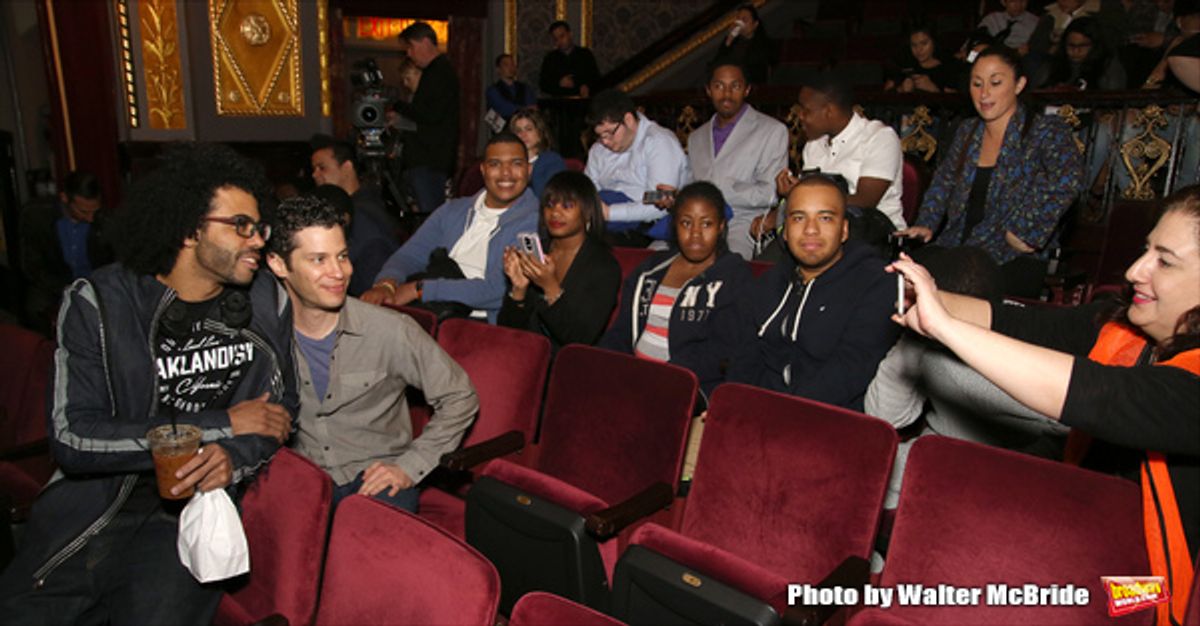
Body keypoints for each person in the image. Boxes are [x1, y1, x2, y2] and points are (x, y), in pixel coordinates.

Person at [0, 143, 296, 624]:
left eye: (260, 227)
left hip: (190, 515)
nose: (259, 240)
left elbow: (279, 413)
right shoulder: (99, 301)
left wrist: (234, 456)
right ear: (188, 229)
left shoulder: (266, 300)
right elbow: (75, 437)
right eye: (241, 225)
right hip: (93, 507)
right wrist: (223, 425)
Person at [888, 184, 1200, 626]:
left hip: (1153, 591)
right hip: (1090, 536)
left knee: (1014, 594)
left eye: (1164, 261)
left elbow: (1098, 397)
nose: (1135, 271)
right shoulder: (1125, 330)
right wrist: (919, 298)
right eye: (1145, 250)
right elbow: (1021, 323)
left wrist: (945, 328)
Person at [265, 195, 477, 512]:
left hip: (375, 479)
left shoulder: (389, 330)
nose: (339, 272)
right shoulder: (264, 338)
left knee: (367, 532)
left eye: (342, 256)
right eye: (319, 260)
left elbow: (460, 395)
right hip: (304, 479)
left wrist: (410, 466)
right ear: (279, 264)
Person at [865, 246, 1068, 507]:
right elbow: (884, 415)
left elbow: (1064, 438)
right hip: (935, 453)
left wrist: (984, 473)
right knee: (867, 477)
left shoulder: (1035, 348)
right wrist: (914, 340)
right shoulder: (926, 337)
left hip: (1014, 472)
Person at [895, 46, 1083, 298]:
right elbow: (944, 181)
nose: (984, 93)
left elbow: (1067, 180)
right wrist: (927, 223)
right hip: (958, 245)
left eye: (995, 83)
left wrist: (1027, 231)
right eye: (977, 84)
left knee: (946, 279)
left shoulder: (1045, 131)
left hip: (1012, 254)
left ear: (1019, 85)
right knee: (900, 272)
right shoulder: (967, 131)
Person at [729, 174, 900, 412]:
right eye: (799, 218)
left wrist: (776, 413)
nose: (811, 229)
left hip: (832, 420)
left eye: (825, 218)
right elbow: (744, 358)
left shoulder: (877, 284)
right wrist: (738, 404)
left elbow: (850, 370)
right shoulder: (768, 283)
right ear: (785, 231)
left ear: (844, 230)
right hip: (762, 411)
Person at [360, 133, 538, 323]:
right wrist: (387, 284)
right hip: (430, 311)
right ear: (483, 170)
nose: (506, 173)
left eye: (516, 164)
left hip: (480, 323)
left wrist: (421, 289)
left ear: (528, 170)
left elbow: (496, 290)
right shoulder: (453, 210)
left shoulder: (534, 221)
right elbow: (410, 255)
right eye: (495, 164)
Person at [599, 181, 751, 402]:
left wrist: (661, 377)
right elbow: (622, 332)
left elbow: (722, 350)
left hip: (689, 389)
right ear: (674, 225)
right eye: (686, 223)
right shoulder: (650, 270)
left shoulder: (733, 276)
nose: (695, 234)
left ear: (720, 227)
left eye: (706, 224)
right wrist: (606, 367)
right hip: (635, 379)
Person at [755, 71, 905, 247]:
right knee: (772, 255)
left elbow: (865, 200)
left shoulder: (879, 137)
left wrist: (802, 193)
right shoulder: (814, 144)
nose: (800, 116)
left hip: (875, 236)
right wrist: (788, 201)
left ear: (829, 111)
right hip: (822, 234)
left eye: (806, 110)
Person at [499, 171, 620, 349]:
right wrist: (519, 289)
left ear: (587, 212)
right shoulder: (538, 252)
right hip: (523, 353)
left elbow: (579, 339)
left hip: (565, 361)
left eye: (567, 205)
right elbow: (507, 331)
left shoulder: (604, 266)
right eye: (549, 205)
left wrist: (550, 287)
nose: (555, 212)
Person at [683, 61, 788, 260]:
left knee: (725, 264)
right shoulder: (696, 137)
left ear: (747, 90)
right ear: (708, 90)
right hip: (697, 222)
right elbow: (690, 185)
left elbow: (770, 194)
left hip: (743, 223)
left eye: (735, 86)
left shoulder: (772, 131)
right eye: (719, 86)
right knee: (658, 256)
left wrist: (717, 190)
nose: (727, 94)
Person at [583, 89, 691, 243]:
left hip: (649, 228)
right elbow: (589, 191)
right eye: (600, 136)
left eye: (609, 133)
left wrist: (609, 213)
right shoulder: (598, 149)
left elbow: (658, 206)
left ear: (628, 120)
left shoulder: (659, 142)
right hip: (606, 222)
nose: (605, 142)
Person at [20, 170, 114, 334]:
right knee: (36, 307)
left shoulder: (105, 219)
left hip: (93, 282)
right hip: (54, 282)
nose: (91, 218)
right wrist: (63, 288)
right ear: (64, 198)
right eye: (83, 212)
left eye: (94, 211)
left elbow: (112, 261)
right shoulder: (37, 216)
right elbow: (32, 266)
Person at [310, 137, 400, 296]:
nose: (315, 175)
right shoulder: (367, 203)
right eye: (314, 169)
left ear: (347, 167)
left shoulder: (363, 213)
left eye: (322, 168)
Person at [392, 21, 460, 214]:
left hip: (429, 159)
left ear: (425, 42)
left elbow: (429, 114)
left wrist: (398, 105)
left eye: (411, 47)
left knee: (429, 217)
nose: (409, 54)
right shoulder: (437, 71)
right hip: (430, 159)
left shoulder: (439, 73)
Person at [1035, 16, 1128, 89]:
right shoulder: (1052, 67)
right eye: (1071, 45)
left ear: (1095, 45)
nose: (1076, 51)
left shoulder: (1108, 67)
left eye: (1082, 46)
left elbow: (1113, 98)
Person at [885, 23, 966, 93]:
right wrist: (901, 89)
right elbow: (885, 93)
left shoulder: (948, 68)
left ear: (933, 42)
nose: (919, 49)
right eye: (914, 45)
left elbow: (957, 99)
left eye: (924, 43)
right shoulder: (904, 66)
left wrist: (933, 89)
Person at [711, 3, 777, 85]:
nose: (740, 23)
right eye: (738, 19)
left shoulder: (763, 44)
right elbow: (717, 63)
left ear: (755, 24)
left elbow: (758, 70)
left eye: (745, 20)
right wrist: (729, 39)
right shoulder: (732, 41)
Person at [508, 108, 567, 198]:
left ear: (540, 133)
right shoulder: (508, 163)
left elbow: (547, 197)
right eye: (518, 131)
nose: (523, 135)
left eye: (528, 129)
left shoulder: (551, 161)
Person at [539, 20, 600, 99]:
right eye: (556, 39)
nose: (559, 41)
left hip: (582, 100)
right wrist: (559, 83)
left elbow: (595, 78)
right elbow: (543, 84)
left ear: (570, 34)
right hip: (559, 101)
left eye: (562, 36)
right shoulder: (550, 58)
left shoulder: (585, 54)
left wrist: (581, 84)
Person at [486, 54, 537, 125]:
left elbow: (533, 108)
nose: (510, 67)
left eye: (512, 64)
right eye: (506, 65)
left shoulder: (525, 88)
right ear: (498, 69)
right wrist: (524, 109)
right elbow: (504, 109)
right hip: (504, 129)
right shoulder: (493, 90)